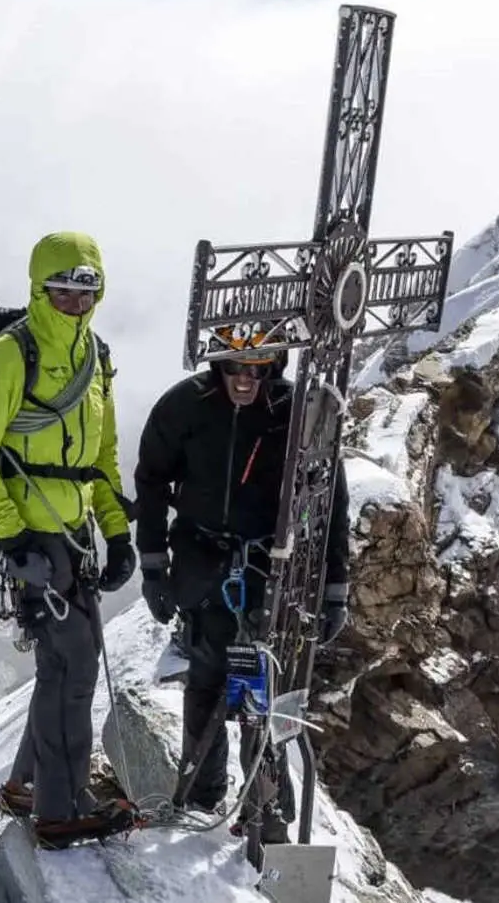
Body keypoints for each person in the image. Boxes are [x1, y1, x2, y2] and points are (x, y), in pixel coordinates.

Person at [0, 230, 139, 849]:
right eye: (62, 291)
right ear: (40, 288)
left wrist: (116, 532)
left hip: (74, 531)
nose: (75, 302)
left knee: (63, 661)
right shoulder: (10, 356)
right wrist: (14, 539)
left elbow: (100, 456)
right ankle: (61, 808)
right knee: (76, 663)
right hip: (33, 532)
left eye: (86, 291)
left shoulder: (95, 355)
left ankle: (29, 784)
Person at [133, 326, 351, 843]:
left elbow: (330, 502)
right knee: (206, 682)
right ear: (219, 367)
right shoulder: (185, 405)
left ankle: (266, 813)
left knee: (266, 694)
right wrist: (154, 566)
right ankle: (202, 795)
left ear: (273, 366)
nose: (245, 380)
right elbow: (151, 480)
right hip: (202, 567)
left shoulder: (297, 413)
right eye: (235, 368)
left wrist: (334, 586)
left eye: (257, 369)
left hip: (272, 573)